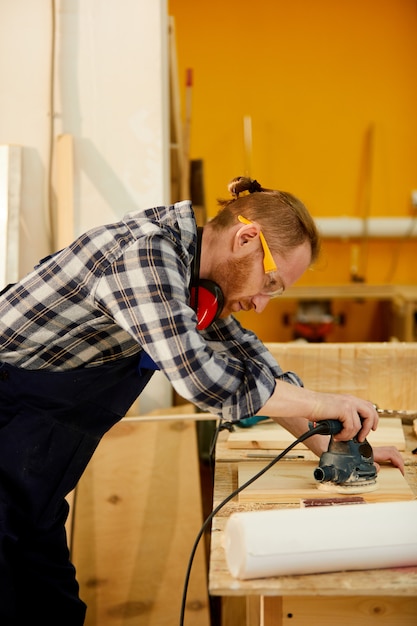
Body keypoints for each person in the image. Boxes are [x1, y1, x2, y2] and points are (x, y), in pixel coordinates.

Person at [0, 175, 403, 624]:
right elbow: (201, 379)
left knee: (54, 609)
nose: (263, 303)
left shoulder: (197, 282)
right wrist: (319, 404)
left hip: (33, 484)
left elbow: (252, 364)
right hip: (9, 445)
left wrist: (330, 442)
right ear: (246, 238)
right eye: (270, 283)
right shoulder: (144, 257)